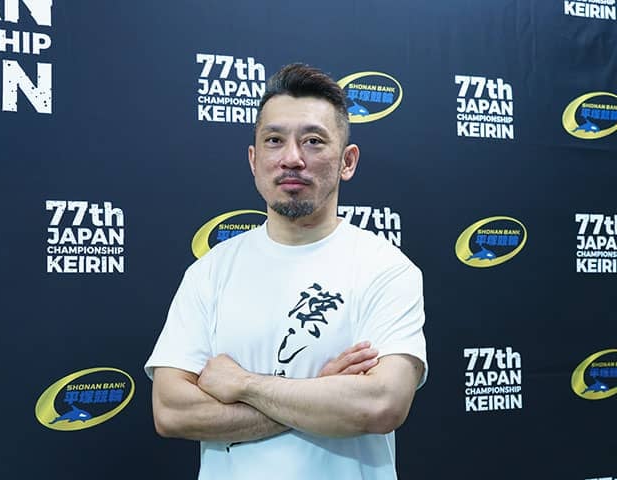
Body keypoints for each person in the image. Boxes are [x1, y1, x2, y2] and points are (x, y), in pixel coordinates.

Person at [145, 63, 427, 480]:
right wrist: (320, 393)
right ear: (254, 159)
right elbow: (171, 411)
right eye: (274, 140)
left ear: (347, 161)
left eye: (313, 141)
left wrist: (244, 385)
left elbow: (380, 405)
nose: (292, 159)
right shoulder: (210, 272)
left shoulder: (386, 269)